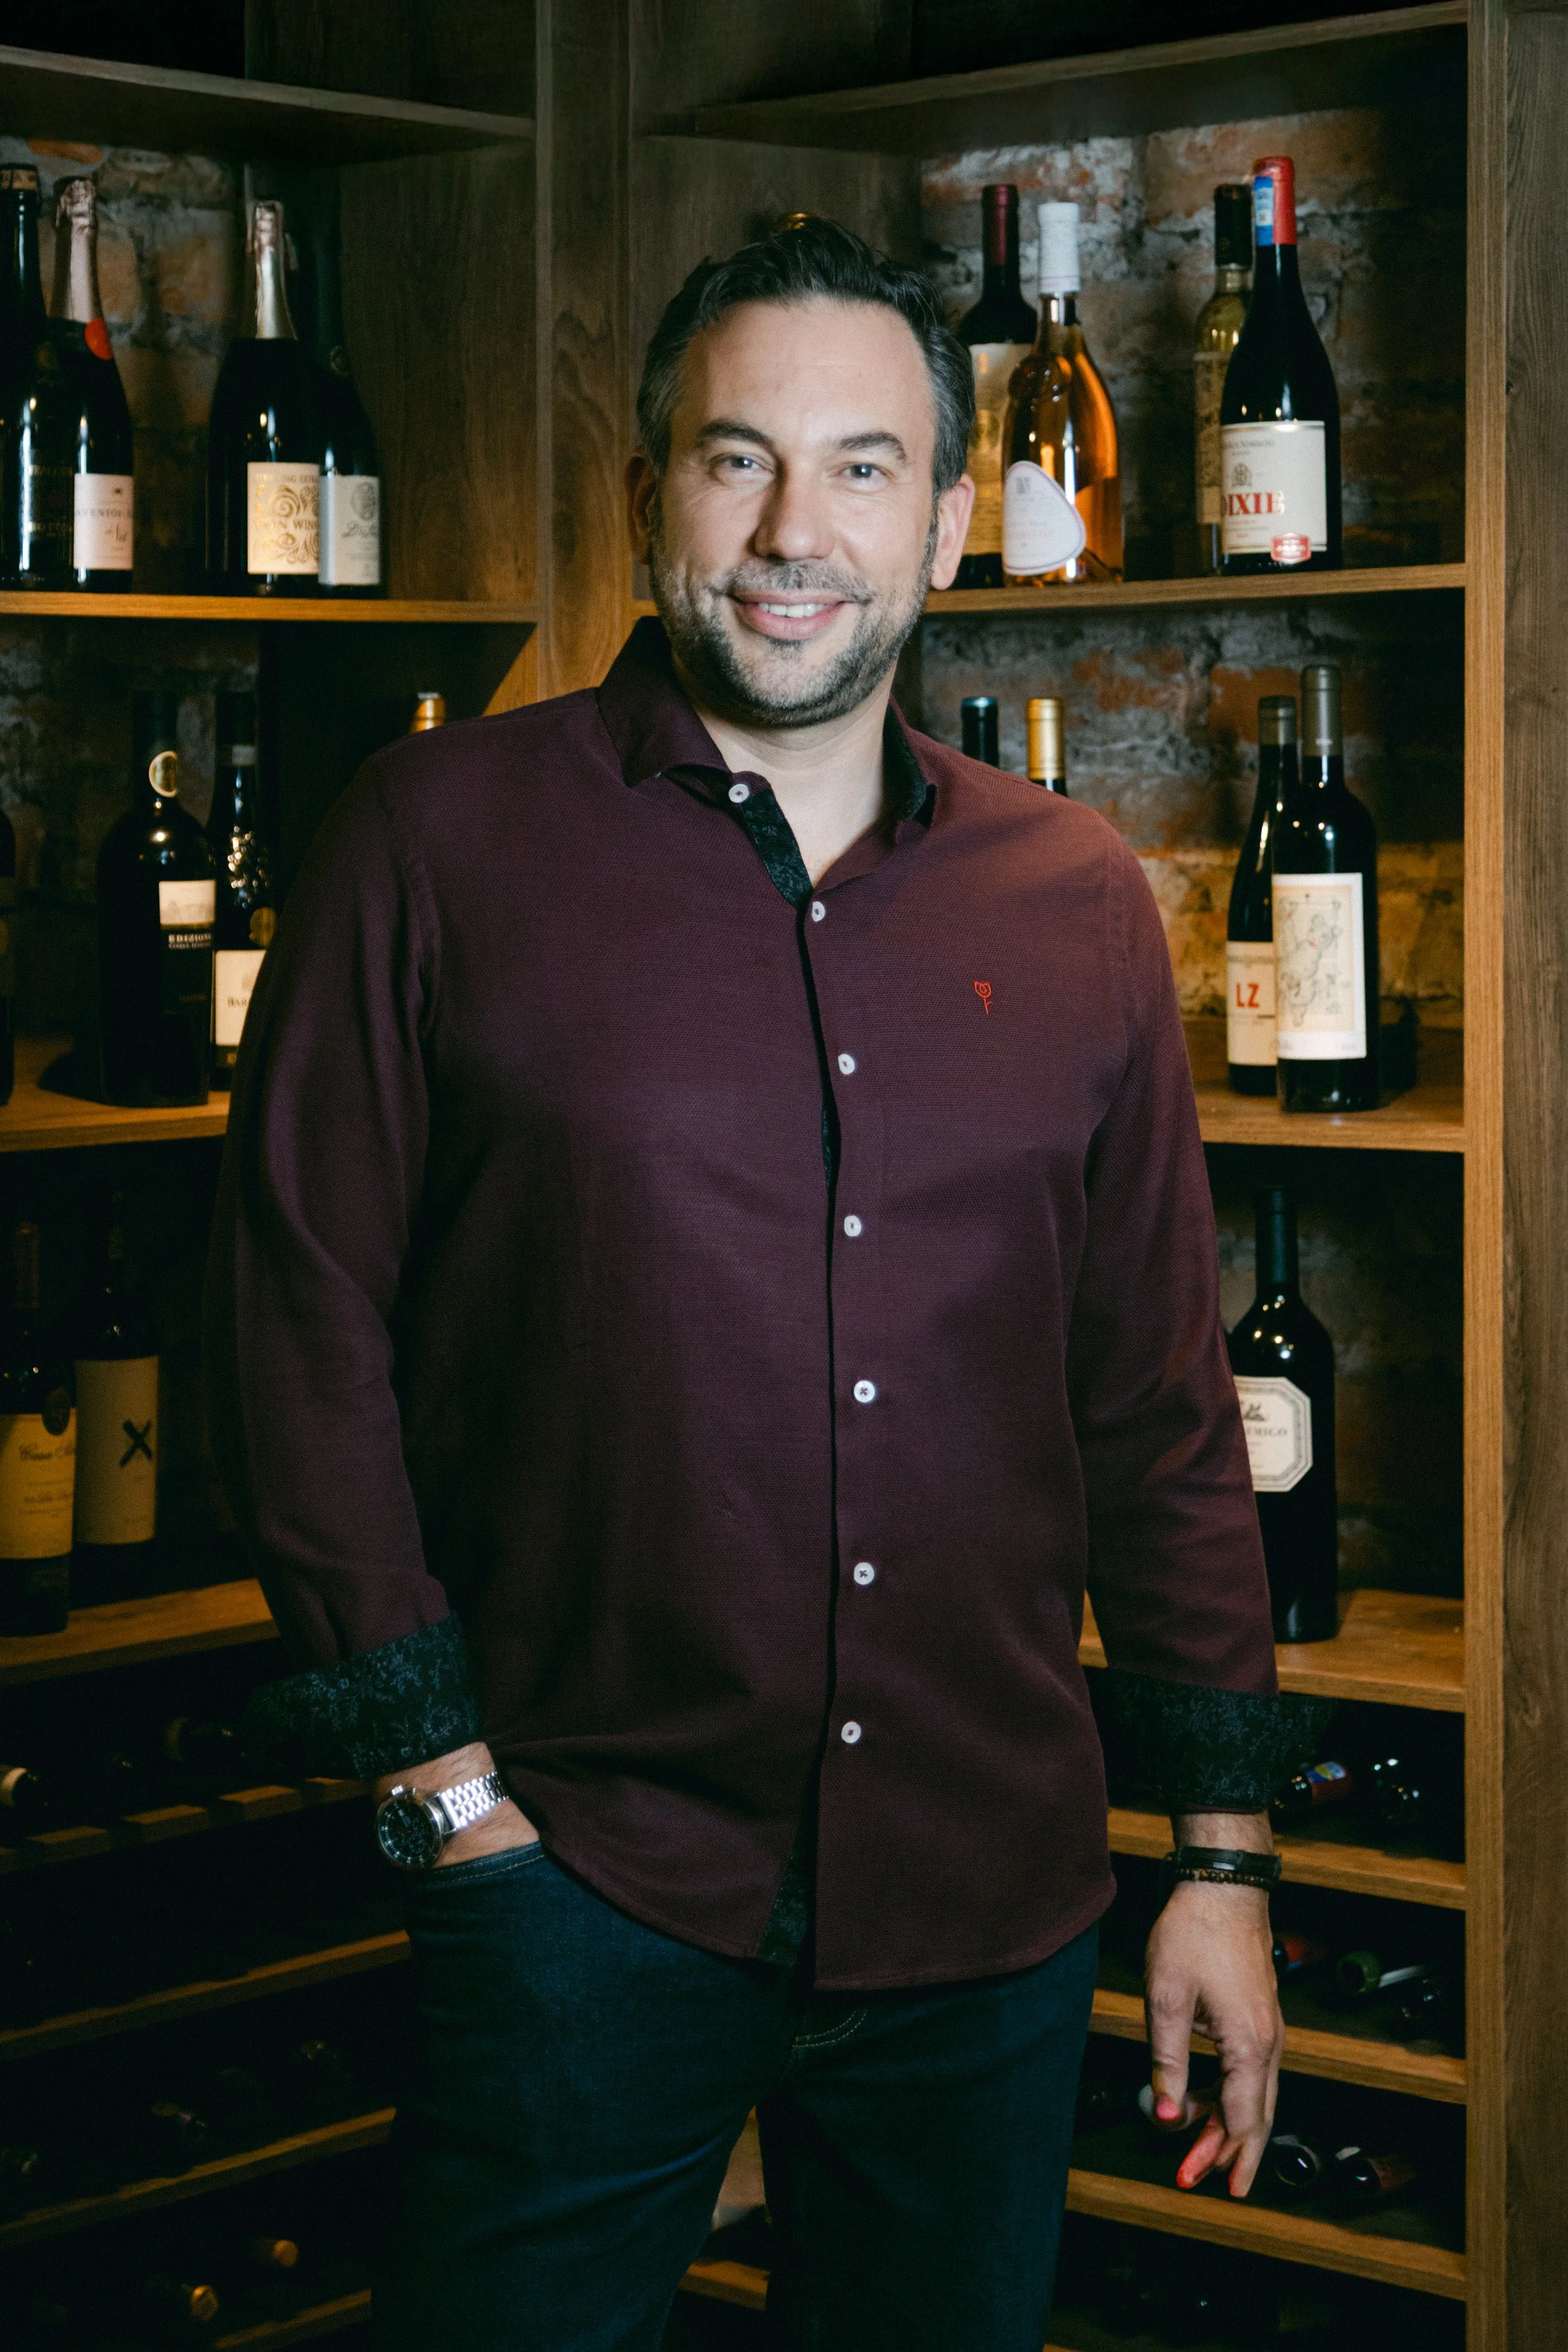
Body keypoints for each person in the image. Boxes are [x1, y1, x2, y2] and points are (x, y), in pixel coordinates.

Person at [205, 220, 1320, 2352]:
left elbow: (1155, 1405)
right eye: (736, 460)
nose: (796, 531)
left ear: (951, 512)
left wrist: (1222, 1853)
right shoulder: (432, 841)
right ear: (649, 491)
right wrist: (447, 1805)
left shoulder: (1074, 903)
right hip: (579, 1889)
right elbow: (296, 1324)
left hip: (985, 1906)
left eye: (862, 465)